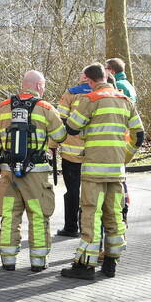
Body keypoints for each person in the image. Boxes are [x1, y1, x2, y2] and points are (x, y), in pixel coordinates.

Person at [61, 63, 144, 280]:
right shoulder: (125, 101)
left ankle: (85, 266)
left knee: (91, 214)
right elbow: (140, 135)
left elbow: (72, 127)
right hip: (117, 171)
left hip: (94, 171)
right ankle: (110, 264)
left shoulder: (91, 100)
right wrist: (124, 156)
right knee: (113, 215)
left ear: (89, 80)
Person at [0, 70, 67, 272]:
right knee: (38, 216)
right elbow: (60, 136)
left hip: (8, 173)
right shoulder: (45, 108)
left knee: (9, 216)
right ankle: (38, 261)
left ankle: (8, 260)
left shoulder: (2, 108)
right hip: (36, 175)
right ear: (39, 86)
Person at [54, 73, 91, 238]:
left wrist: (52, 145)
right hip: (94, 153)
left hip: (71, 153)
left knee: (72, 191)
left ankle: (71, 227)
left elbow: (59, 121)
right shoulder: (101, 95)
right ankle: (87, 227)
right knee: (91, 191)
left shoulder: (70, 93)